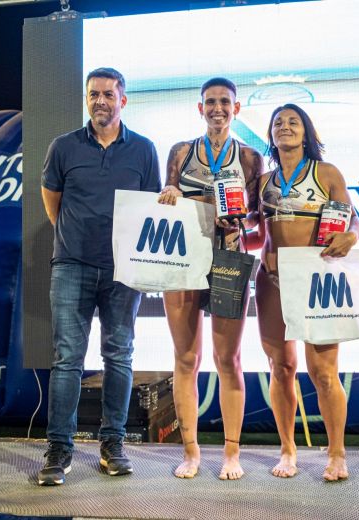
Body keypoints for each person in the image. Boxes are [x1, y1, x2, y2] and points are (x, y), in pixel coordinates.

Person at [37, 67, 161, 485]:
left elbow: (151, 208)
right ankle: (59, 449)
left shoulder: (143, 149)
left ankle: (113, 444)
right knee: (67, 359)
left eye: (108, 94)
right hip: (71, 264)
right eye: (94, 94)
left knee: (119, 355)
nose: (100, 101)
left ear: (122, 100)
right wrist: (77, 241)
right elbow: (52, 204)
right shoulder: (63, 147)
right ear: (86, 99)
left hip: (124, 269)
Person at [157, 77, 264, 480]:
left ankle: (232, 454)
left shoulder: (251, 157)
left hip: (230, 260)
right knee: (186, 358)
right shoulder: (181, 151)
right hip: (182, 261)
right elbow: (168, 192)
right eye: (210, 102)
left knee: (228, 360)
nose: (217, 108)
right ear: (199, 109)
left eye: (225, 102)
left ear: (236, 109)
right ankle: (191, 452)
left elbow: (257, 216)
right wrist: (171, 194)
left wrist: (238, 218)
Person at [254, 103, 359, 481]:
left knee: (323, 373)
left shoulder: (326, 173)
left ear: (306, 131)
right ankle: (287, 450)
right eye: (278, 123)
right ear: (270, 134)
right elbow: (252, 231)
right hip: (271, 283)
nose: (285, 127)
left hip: (316, 279)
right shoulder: (263, 182)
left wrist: (351, 236)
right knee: (281, 369)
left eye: (293, 122)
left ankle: (337, 454)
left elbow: (353, 221)